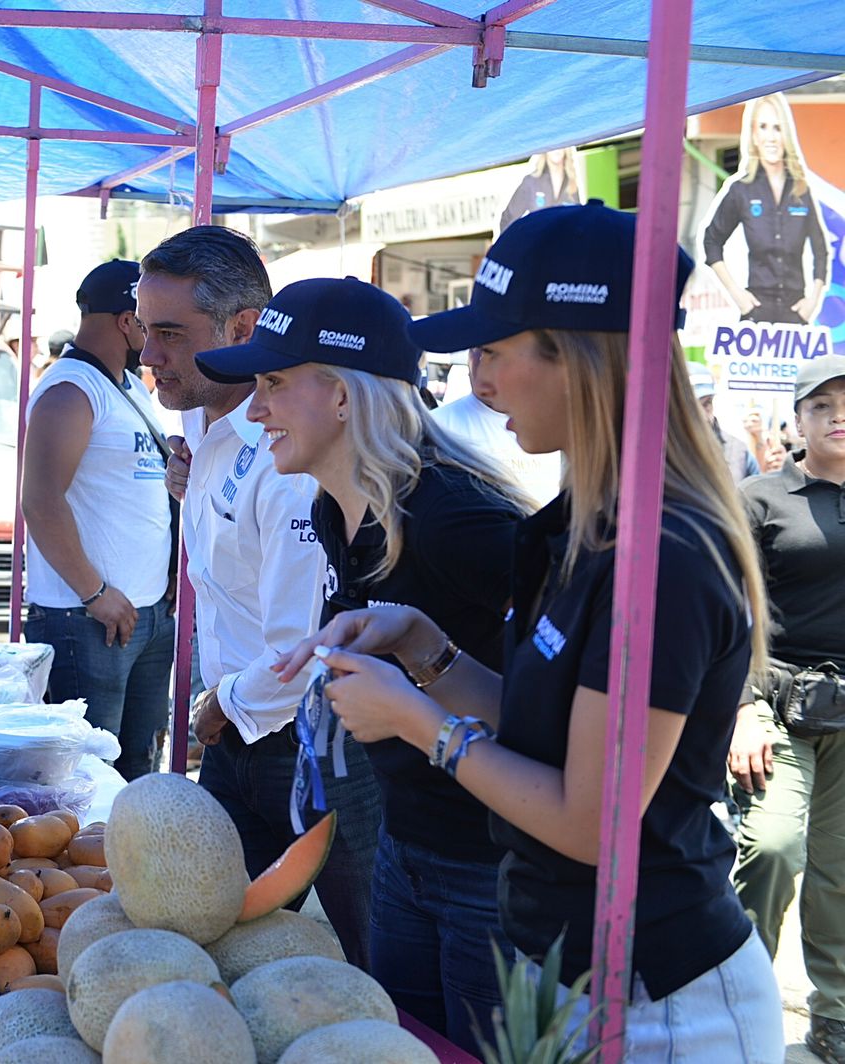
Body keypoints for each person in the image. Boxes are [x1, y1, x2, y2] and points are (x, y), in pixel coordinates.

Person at [278, 202, 784, 1060]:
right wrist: (424, 647)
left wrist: (417, 722)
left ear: (580, 361)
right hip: (560, 970)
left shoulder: (663, 554)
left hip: (660, 1002)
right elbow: (542, 727)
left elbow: (593, 819)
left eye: (495, 353)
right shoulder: (581, 525)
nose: (478, 384)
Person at [196, 276, 531, 1049]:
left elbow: (560, 713)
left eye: (274, 384)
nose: (255, 408)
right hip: (403, 854)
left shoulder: (456, 518)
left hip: (490, 871)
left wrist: (422, 703)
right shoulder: (330, 507)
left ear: (342, 397)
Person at [138, 227, 381, 968]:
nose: (148, 355)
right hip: (237, 734)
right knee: (208, 955)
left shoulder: (288, 458)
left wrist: (223, 703)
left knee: (379, 972)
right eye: (145, 331)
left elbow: (303, 651)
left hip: (304, 741)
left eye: (170, 335)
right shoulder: (200, 423)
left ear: (243, 328)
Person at [727, 354, 845, 1064]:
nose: (838, 415)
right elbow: (725, 609)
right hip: (776, 701)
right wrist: (738, 707)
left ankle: (834, 1018)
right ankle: (739, 1005)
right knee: (772, 848)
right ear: (797, 420)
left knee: (839, 873)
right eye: (822, 404)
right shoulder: (760, 496)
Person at [21, 259, 174, 780]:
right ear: (127, 321)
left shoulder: (128, 386)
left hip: (142, 613)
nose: (155, 338)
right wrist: (94, 593)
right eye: (150, 322)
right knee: (86, 780)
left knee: (136, 772)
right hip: (86, 618)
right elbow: (40, 501)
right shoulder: (70, 390)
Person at [703, 93, 830, 326]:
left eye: (777, 128)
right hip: (756, 315)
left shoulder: (801, 189)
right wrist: (738, 296)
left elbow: (821, 250)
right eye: (763, 127)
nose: (771, 137)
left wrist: (813, 300)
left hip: (796, 313)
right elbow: (712, 241)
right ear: (753, 134)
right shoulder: (741, 190)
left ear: (786, 135)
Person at [433, 346, 563, 506]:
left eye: (493, 353)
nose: (481, 366)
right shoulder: (436, 427)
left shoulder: (560, 425)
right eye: (476, 350)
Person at [689, 363, 759, 483]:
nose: (702, 414)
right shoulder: (662, 452)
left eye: (707, 403)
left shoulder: (739, 452)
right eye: (692, 406)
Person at [498, 147, 582, 234]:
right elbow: (507, 220)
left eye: (560, 144)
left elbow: (578, 224)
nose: (556, 149)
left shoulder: (572, 186)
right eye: (552, 144)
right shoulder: (531, 182)